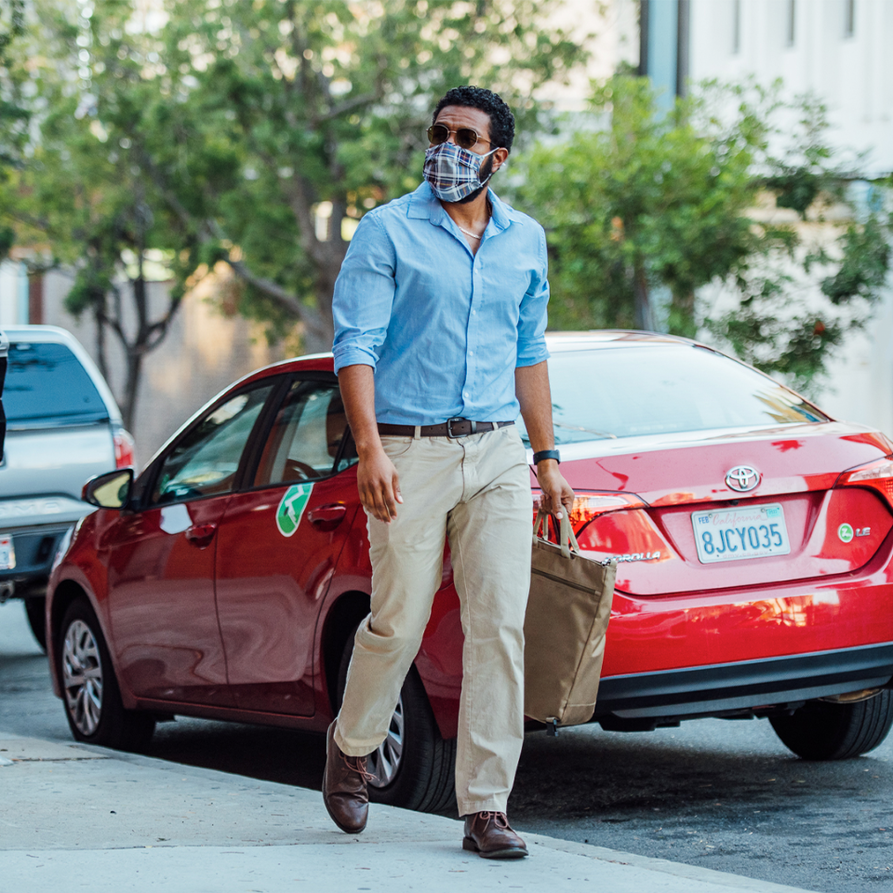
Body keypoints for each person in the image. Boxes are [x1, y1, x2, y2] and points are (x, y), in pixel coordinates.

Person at [325, 85, 574, 859]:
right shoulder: (386, 231)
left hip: (497, 449)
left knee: (497, 623)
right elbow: (355, 345)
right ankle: (351, 743)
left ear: (496, 157)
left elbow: (528, 353)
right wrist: (370, 448)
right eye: (438, 132)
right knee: (396, 616)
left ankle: (486, 805)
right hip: (410, 448)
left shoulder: (524, 239)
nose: (446, 147)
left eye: (465, 138)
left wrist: (548, 460)